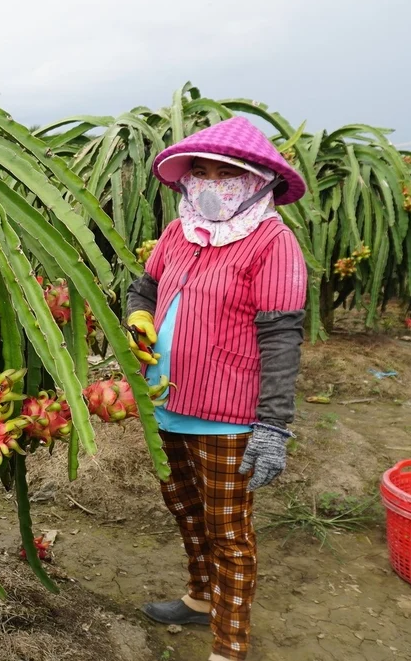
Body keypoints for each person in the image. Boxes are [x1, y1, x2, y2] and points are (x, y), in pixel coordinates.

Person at [124, 116, 308, 661]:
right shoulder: (179, 231)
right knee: (184, 505)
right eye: (199, 171)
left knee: (229, 530)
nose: (208, 182)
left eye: (223, 172)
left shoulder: (271, 242)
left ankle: (229, 647)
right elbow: (145, 286)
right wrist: (138, 317)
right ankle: (201, 597)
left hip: (228, 413)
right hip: (167, 402)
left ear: (255, 179)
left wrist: (273, 426)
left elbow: (281, 337)